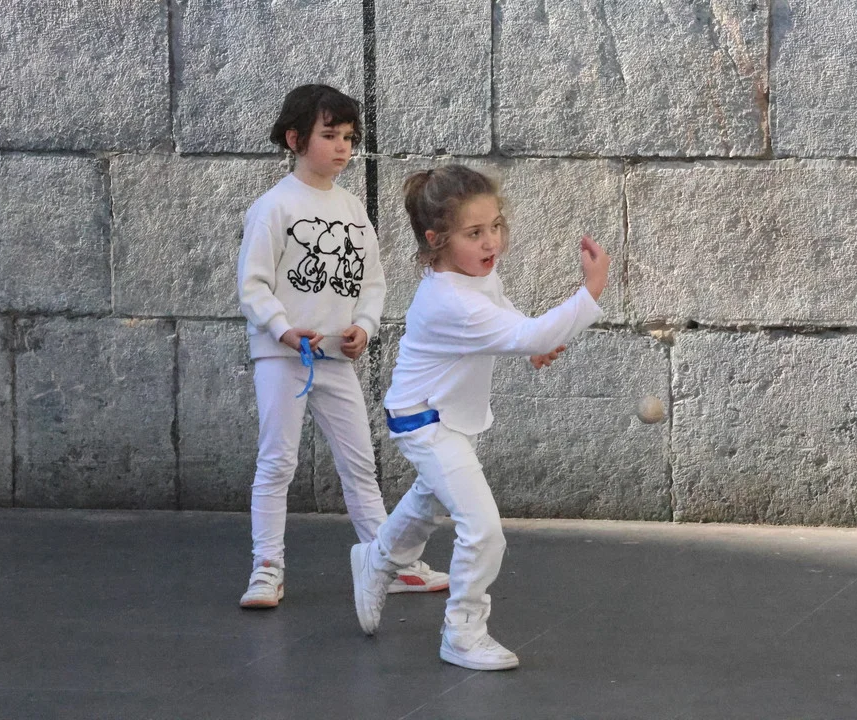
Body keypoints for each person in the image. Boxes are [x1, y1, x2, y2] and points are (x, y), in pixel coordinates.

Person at [349, 164, 610, 670]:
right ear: (436, 240)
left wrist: (532, 344)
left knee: (427, 502)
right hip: (425, 421)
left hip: (448, 415)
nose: (491, 241)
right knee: (483, 529)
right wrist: (590, 290)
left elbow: (508, 318)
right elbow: (523, 331)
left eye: (495, 225)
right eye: (474, 233)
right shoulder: (449, 300)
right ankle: (463, 632)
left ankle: (377, 559)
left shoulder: (474, 275)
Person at [236, 84, 447, 608]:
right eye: (329, 135)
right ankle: (266, 569)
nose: (342, 147)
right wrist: (283, 329)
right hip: (282, 358)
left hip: (334, 360)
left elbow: (371, 281)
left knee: (360, 466)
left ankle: (387, 564)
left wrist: (365, 327)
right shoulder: (273, 207)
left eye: (349, 137)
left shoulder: (353, 209)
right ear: (295, 139)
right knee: (276, 463)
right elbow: (253, 285)